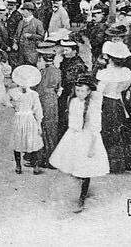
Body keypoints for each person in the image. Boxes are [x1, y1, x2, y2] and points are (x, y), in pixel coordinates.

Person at [49, 75, 109, 213]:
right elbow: (72, 120)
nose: (80, 93)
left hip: (87, 138)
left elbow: (95, 127)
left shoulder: (93, 106)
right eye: (77, 90)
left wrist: (92, 147)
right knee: (72, 163)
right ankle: (77, 186)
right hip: (74, 136)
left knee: (86, 168)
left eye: (83, 91)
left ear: (89, 92)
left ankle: (81, 198)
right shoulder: (74, 101)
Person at [97, 41, 131, 173]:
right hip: (118, 102)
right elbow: (124, 88)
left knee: (108, 133)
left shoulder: (106, 74)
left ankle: (109, 163)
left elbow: (99, 92)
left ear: (110, 59)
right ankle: (121, 164)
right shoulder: (126, 73)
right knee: (119, 132)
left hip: (107, 103)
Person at [8, 65, 45, 175]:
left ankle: (36, 165)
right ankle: (18, 165)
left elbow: (38, 109)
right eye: (22, 81)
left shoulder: (33, 94)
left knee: (33, 141)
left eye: (26, 82)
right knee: (17, 141)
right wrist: (12, 105)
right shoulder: (13, 92)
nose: (24, 84)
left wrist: (38, 124)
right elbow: (4, 100)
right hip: (19, 118)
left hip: (29, 119)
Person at [34, 42, 61, 165]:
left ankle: (42, 158)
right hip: (53, 99)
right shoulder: (57, 71)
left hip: (43, 99)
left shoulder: (42, 72)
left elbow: (38, 88)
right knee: (51, 127)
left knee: (42, 126)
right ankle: (51, 156)